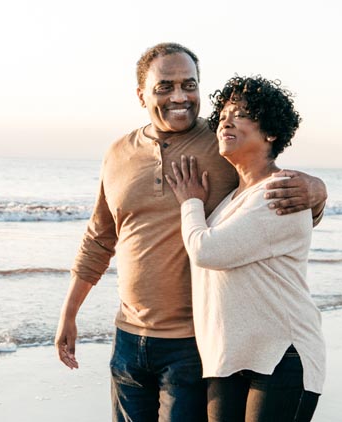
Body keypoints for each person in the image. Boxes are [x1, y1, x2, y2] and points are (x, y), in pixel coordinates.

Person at [54, 43, 327, 422]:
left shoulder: (222, 147)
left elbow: (272, 192)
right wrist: (69, 313)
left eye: (189, 84)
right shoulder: (118, 153)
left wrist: (316, 190)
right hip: (128, 339)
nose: (179, 96)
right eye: (165, 86)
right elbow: (100, 238)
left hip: (193, 343)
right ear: (141, 95)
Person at [165, 75, 325, 421]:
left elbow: (207, 251)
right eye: (223, 114)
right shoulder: (231, 201)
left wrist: (190, 202)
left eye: (240, 114)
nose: (226, 120)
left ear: (270, 132)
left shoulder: (280, 191)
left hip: (281, 355)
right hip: (228, 358)